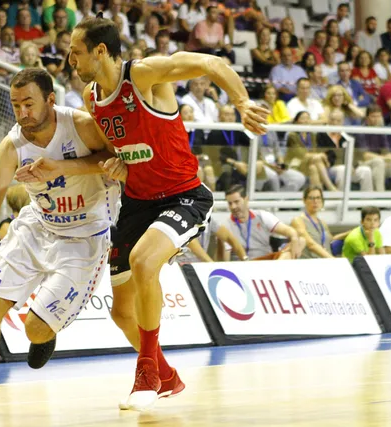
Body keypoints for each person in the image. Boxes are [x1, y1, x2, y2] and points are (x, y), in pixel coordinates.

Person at [16, 16, 269, 411]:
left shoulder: (144, 75)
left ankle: (146, 372)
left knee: (144, 261)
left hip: (183, 196)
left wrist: (242, 102)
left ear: (101, 51)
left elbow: (211, 63)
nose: (70, 59)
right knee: (121, 313)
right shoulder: (91, 98)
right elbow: (113, 154)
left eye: (76, 51)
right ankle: (167, 377)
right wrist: (102, 165)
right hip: (137, 201)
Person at [0, 68, 122, 420]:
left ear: (50, 100)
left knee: (33, 329)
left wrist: (61, 167)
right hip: (37, 226)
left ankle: (45, 333)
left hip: (84, 237)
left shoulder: (81, 126)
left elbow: (115, 161)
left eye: (29, 103)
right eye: (15, 105)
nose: (22, 112)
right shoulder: (12, 146)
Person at [223, 184, 304, 260]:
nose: (233, 207)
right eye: (230, 203)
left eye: (236, 202)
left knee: (301, 241)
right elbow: (225, 259)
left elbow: (289, 231)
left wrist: (294, 238)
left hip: (267, 260)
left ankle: (276, 266)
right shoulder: (226, 226)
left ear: (246, 199)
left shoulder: (262, 216)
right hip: (245, 263)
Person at [291, 186, 334, 259]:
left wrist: (349, 233)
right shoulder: (298, 221)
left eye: (318, 198)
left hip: (326, 261)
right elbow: (311, 245)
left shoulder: (322, 223)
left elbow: (331, 239)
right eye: (311, 198)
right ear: (304, 200)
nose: (315, 201)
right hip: (310, 262)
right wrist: (333, 260)